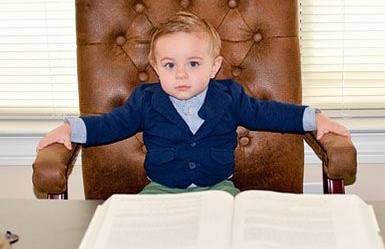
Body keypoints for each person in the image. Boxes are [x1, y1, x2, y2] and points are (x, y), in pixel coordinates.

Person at [36, 11, 350, 196]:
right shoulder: (146, 100)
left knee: (235, 234)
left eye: (194, 64)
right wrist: (72, 128)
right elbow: (111, 124)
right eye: (170, 65)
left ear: (214, 67)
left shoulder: (229, 96)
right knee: (138, 235)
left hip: (219, 190)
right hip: (160, 191)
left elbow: (269, 113)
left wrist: (313, 119)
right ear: (157, 68)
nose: (182, 74)